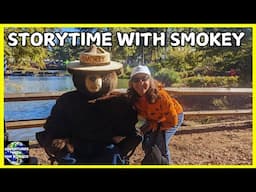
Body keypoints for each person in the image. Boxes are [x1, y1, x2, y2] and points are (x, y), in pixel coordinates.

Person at [36, 45, 142, 164]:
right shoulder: (67, 101)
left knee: (112, 156)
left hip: (107, 149)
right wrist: (60, 144)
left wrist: (122, 146)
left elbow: (129, 131)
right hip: (74, 148)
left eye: (101, 74)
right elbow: (55, 128)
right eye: (86, 74)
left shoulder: (119, 102)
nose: (94, 79)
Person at [127, 65, 184, 164]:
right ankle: (153, 160)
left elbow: (172, 121)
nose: (140, 83)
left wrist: (155, 125)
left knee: (160, 144)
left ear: (150, 81)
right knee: (148, 143)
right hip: (155, 119)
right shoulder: (133, 98)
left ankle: (165, 163)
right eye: (136, 80)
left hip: (172, 117)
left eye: (144, 79)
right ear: (131, 83)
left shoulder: (161, 96)